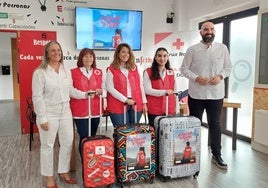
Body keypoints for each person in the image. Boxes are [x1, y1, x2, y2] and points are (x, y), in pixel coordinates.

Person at [32, 41, 88, 188]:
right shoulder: (40, 72)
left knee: (68, 142)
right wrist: (42, 117)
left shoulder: (65, 70)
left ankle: (63, 171)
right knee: (48, 145)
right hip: (49, 113)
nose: (57, 53)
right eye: (53, 51)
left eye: (59, 50)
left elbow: (70, 90)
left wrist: (86, 94)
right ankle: (49, 177)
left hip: (65, 111)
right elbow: (37, 97)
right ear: (47, 54)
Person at [180, 21, 232, 170]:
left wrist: (220, 76)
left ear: (214, 31)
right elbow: (184, 69)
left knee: (215, 124)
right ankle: (191, 155)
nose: (209, 31)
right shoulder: (192, 50)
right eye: (206, 29)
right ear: (201, 32)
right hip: (196, 94)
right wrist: (196, 78)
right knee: (194, 125)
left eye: (211, 29)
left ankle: (217, 155)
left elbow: (228, 68)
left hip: (216, 95)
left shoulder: (222, 48)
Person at [70, 48, 106, 156]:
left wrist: (101, 92)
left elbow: (105, 90)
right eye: (85, 56)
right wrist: (84, 94)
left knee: (93, 136)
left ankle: (92, 160)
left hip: (95, 110)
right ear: (81, 58)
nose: (88, 58)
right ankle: (84, 161)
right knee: (84, 136)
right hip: (80, 111)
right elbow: (70, 91)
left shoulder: (99, 72)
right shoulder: (73, 72)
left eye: (91, 56)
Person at [106, 43, 147, 127]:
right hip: (117, 104)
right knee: (121, 132)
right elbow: (110, 88)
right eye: (123, 52)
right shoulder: (111, 69)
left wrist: (144, 103)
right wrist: (125, 100)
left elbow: (140, 86)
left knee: (133, 132)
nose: (126, 54)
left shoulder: (135, 68)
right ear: (118, 53)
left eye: (128, 52)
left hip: (135, 103)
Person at [143, 47, 177, 126]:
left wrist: (176, 108)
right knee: (155, 133)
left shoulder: (171, 72)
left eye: (165, 56)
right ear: (155, 57)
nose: (162, 58)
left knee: (168, 134)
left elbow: (175, 91)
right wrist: (164, 92)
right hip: (154, 109)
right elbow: (147, 90)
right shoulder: (148, 71)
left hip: (169, 108)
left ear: (167, 57)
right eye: (159, 56)